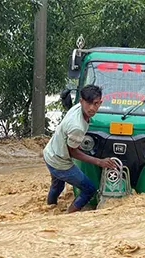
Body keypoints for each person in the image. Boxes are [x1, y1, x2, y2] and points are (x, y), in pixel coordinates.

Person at [43, 84, 117, 213]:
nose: (92, 108)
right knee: (89, 189)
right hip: (60, 162)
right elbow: (73, 152)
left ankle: (50, 208)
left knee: (57, 186)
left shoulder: (77, 108)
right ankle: (69, 216)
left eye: (95, 104)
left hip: (50, 153)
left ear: (100, 102)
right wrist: (99, 161)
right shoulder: (77, 127)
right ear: (81, 101)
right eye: (88, 103)